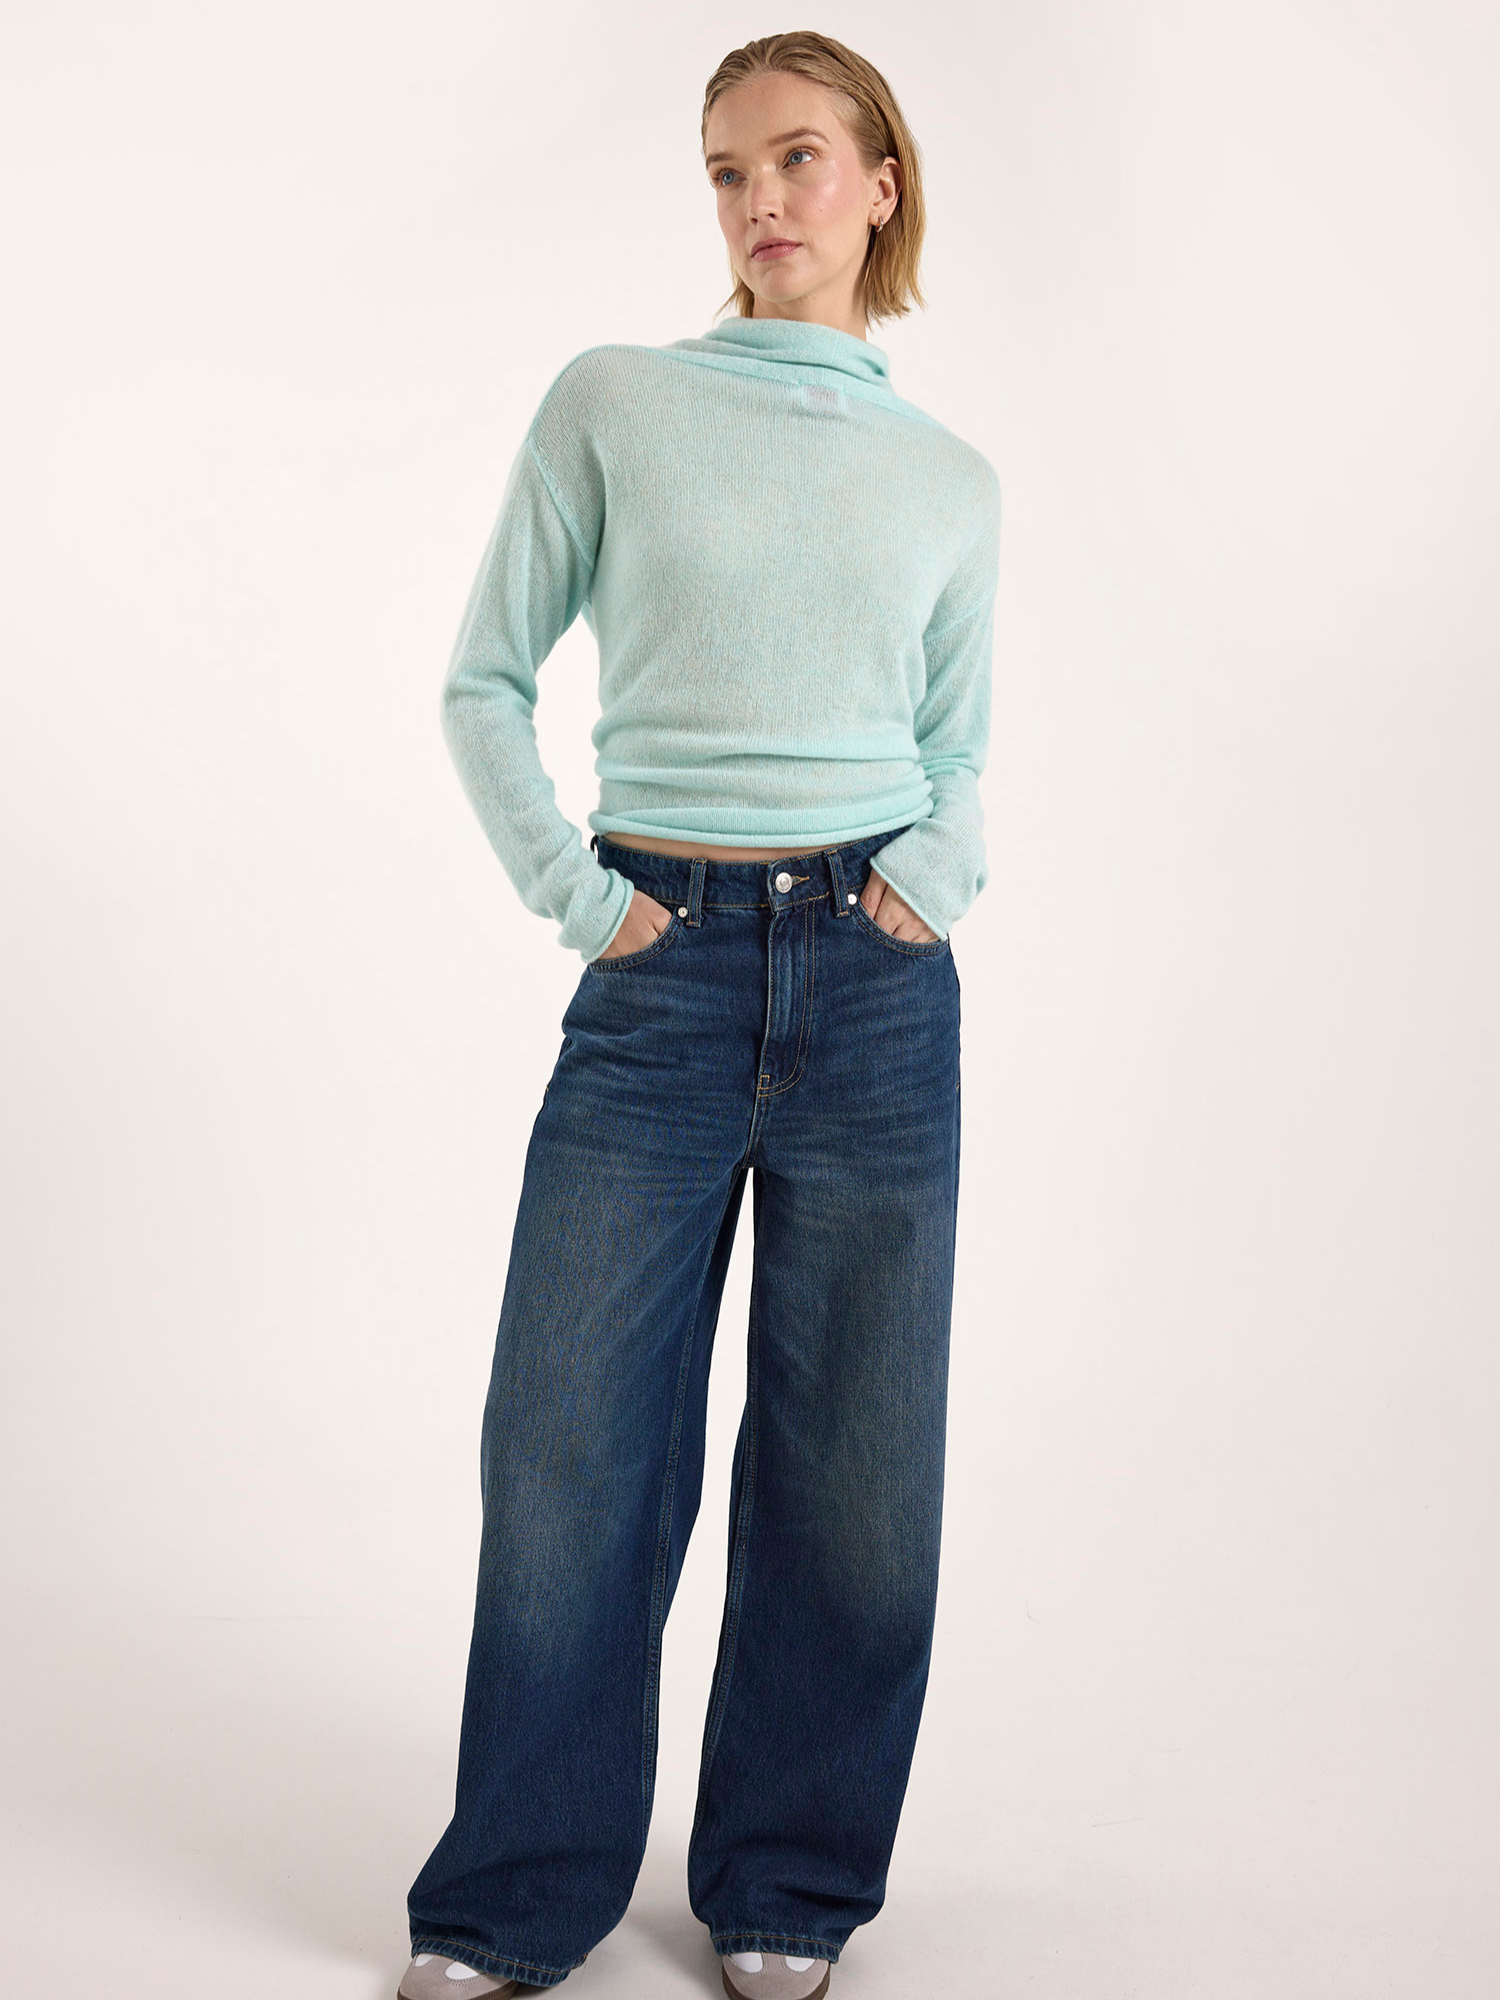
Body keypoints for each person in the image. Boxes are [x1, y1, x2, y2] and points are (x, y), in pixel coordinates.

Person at [399, 29, 1001, 2000]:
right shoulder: (617, 403)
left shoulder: (950, 478)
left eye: (803, 160)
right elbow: (484, 680)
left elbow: (957, 748)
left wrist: (935, 876)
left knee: (853, 1463)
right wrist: (586, 899)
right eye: (730, 172)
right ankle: (514, 1898)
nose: (762, 205)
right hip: (659, 987)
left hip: (878, 988)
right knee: (570, 1447)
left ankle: (786, 1885)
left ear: (881, 181)